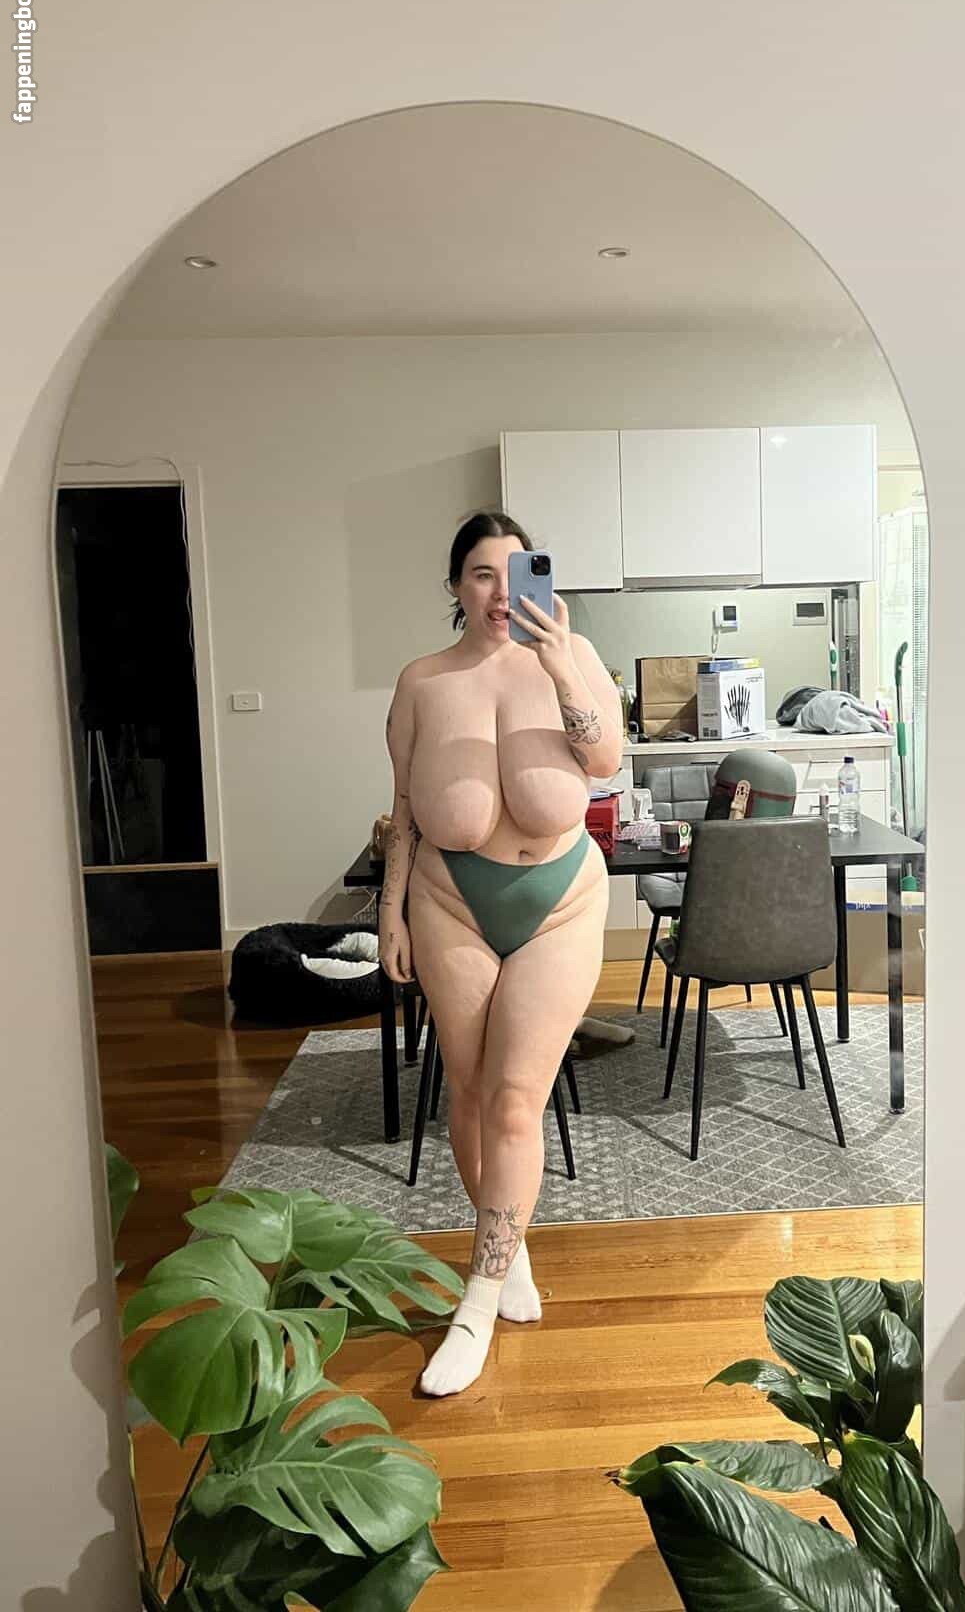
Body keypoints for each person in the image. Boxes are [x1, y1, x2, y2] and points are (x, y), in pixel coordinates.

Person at [379, 510, 623, 1396]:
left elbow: (606, 760)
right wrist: (391, 913)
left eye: (515, 573)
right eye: (481, 573)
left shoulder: (573, 653)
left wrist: (559, 665)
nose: (497, 592)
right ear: (455, 585)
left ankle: (475, 1303)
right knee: (472, 1090)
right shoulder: (422, 681)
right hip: (450, 902)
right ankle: (506, 1249)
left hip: (559, 902)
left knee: (518, 1098)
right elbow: (406, 806)